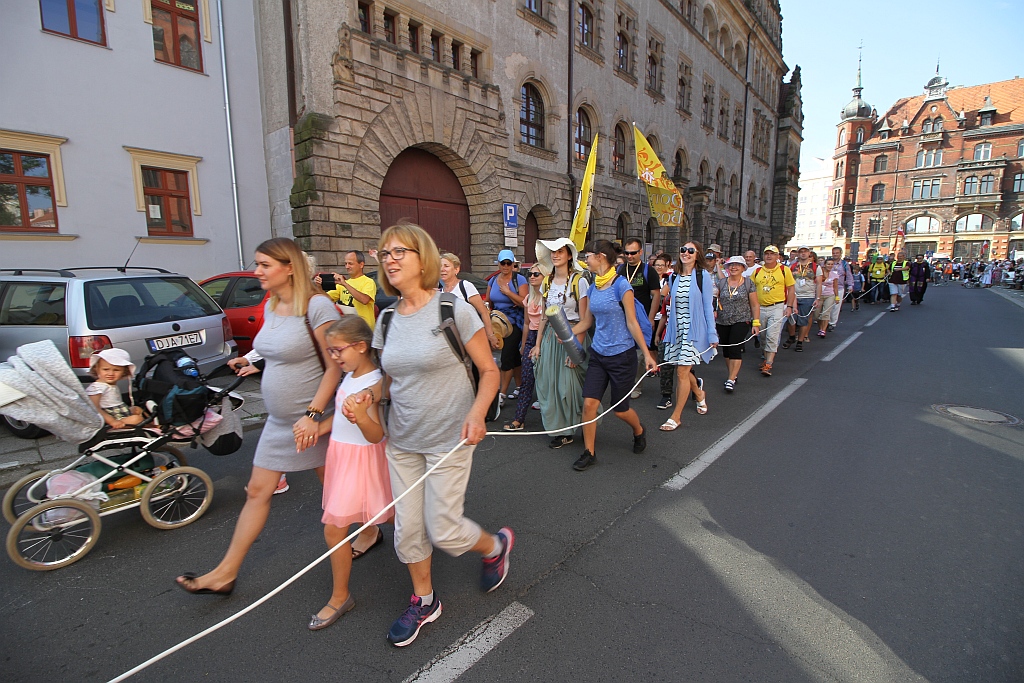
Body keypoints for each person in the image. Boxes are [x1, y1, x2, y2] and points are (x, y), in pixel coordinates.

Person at [358, 223, 510, 647]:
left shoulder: (452, 310)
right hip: (403, 441)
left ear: (421, 258)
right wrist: (367, 394)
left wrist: (478, 413)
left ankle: (494, 547)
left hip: (450, 438)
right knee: (408, 531)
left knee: (442, 529)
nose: (389, 259)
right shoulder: (386, 318)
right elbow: (389, 378)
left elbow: (490, 371)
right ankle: (424, 601)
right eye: (384, 253)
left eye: (398, 252)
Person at [176, 237, 341, 595]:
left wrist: (314, 415)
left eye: (265, 265)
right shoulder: (272, 305)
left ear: (290, 267)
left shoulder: (317, 307)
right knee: (257, 491)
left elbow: (333, 367)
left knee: (337, 494)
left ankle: (371, 532)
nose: (257, 271)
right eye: (257, 263)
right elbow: (275, 348)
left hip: (314, 421)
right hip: (279, 423)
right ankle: (225, 573)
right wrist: (250, 361)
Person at [300, 316, 391, 630]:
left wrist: (362, 416)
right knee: (386, 514)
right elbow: (339, 417)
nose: (334, 357)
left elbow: (375, 433)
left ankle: (340, 597)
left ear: (362, 346)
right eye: (331, 351)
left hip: (363, 459)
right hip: (342, 455)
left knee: (338, 527)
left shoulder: (373, 384)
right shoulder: (349, 376)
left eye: (338, 350)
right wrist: (315, 429)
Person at [567, 240, 656, 471]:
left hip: (621, 356)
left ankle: (639, 430)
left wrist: (647, 355)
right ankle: (589, 452)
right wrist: (565, 332)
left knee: (620, 409)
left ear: (600, 257)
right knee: (589, 404)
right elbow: (587, 321)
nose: (586, 260)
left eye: (588, 256)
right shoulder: (593, 286)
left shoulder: (621, 285)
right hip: (598, 353)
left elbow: (632, 322)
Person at [534, 238, 590, 449]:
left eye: (560, 251)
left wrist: (575, 351)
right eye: (553, 252)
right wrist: (538, 344)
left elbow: (585, 319)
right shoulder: (547, 282)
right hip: (550, 338)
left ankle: (581, 422)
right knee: (551, 384)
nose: (555, 255)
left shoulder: (579, 281)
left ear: (569, 256)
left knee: (569, 387)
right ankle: (562, 430)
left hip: (573, 337)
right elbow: (544, 316)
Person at [658, 241, 718, 431]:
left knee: (682, 372)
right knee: (682, 369)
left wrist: (712, 333)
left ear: (697, 254)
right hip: (677, 330)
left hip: (694, 331)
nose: (686, 253)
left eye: (691, 250)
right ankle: (699, 394)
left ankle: (676, 417)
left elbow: (708, 307)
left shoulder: (703, 276)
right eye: (683, 249)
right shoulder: (673, 276)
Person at [503, 264, 547, 431]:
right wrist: (524, 345)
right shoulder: (529, 298)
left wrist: (538, 344)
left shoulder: (548, 297)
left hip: (547, 339)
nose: (532, 276)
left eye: (537, 274)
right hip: (531, 338)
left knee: (547, 382)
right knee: (526, 380)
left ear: (545, 277)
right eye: (530, 274)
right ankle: (519, 419)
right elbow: (528, 323)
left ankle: (555, 422)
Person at [616, 237, 661, 399]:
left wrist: (650, 318)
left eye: (633, 253)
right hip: (622, 318)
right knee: (623, 351)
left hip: (641, 318)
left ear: (641, 252)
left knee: (640, 354)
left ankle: (636, 385)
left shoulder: (649, 271)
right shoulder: (620, 269)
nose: (629, 256)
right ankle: (624, 383)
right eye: (627, 253)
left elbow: (656, 295)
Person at [713, 256, 758, 394]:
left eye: (737, 265)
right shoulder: (721, 282)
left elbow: (755, 304)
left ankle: (731, 379)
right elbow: (715, 299)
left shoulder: (748, 283)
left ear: (743, 268)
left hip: (741, 320)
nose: (733, 267)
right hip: (723, 320)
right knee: (726, 349)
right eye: (731, 265)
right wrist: (714, 311)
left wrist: (755, 323)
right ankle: (732, 373)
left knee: (735, 347)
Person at [488, 249, 528, 405]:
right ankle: (520, 386)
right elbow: (490, 302)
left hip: (514, 321)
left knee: (506, 357)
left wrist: (508, 292)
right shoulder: (492, 280)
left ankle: (502, 394)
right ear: (498, 263)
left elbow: (524, 302)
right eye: (502, 263)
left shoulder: (519, 280)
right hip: (497, 322)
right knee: (514, 357)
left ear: (513, 264)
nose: (505, 266)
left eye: (508, 263)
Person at [439, 252, 500, 349]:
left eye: (446, 266)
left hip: (471, 338)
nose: (442, 269)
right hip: (452, 341)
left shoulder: (465, 286)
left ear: (456, 269)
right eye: (440, 266)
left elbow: (483, 312)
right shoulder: (440, 292)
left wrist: (490, 335)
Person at [751, 245, 795, 377]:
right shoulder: (758, 271)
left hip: (777, 306)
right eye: (767, 254)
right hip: (760, 307)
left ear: (777, 256)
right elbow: (750, 289)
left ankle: (769, 363)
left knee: (772, 335)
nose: (769, 256)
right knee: (762, 336)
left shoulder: (784, 270)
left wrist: (789, 306)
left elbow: (791, 289)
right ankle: (766, 358)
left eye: (772, 254)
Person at [86, 348, 144, 429]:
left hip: (118, 412)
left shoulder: (110, 385)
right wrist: (112, 421)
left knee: (137, 409)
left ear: (124, 372)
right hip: (109, 419)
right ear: (97, 369)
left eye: (116, 370)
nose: (110, 373)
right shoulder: (97, 387)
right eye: (105, 369)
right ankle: (153, 427)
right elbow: (93, 408)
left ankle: (156, 425)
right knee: (137, 419)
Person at [784, 246, 821, 352]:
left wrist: (817, 298)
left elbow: (819, 283)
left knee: (803, 320)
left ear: (809, 253)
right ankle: (791, 337)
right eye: (801, 252)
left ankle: (800, 341)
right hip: (794, 295)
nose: (803, 254)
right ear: (798, 254)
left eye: (805, 252)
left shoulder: (815, 266)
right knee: (791, 318)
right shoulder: (793, 266)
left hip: (808, 296)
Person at [328, 250, 378, 330]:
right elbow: (326, 298)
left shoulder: (368, 282)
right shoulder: (343, 283)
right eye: (345, 263)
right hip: (348, 331)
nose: (347, 267)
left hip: (364, 330)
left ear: (361, 264)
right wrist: (319, 287)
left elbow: (365, 300)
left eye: (350, 263)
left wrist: (345, 284)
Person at [652, 253, 676, 409]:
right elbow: (664, 315)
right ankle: (666, 396)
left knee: (683, 369)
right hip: (666, 333)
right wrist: (658, 334)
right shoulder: (667, 297)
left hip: (683, 335)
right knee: (665, 365)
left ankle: (696, 387)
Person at [829, 247, 853, 330]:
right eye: (834, 253)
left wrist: (850, 285)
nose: (835, 254)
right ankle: (825, 322)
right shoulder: (828, 262)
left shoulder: (844, 264)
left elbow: (849, 275)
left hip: (839, 287)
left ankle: (832, 323)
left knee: (836, 305)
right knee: (828, 306)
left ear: (840, 253)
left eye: (837, 253)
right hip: (828, 287)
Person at [816, 257, 840, 338]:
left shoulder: (834, 275)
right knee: (817, 314)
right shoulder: (820, 272)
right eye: (828, 264)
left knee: (826, 313)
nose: (830, 266)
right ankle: (820, 328)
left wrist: (837, 296)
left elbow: (835, 286)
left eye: (831, 264)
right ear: (825, 264)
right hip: (819, 295)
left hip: (830, 295)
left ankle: (823, 330)